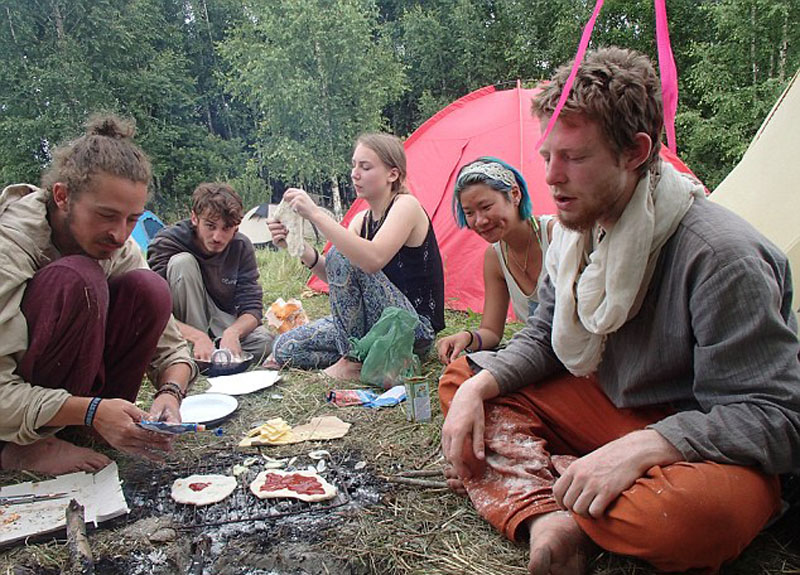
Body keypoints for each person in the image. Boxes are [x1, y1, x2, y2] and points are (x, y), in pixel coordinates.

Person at [439, 47, 800, 575]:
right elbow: (544, 336)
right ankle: (552, 516)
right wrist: (476, 387)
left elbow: (778, 417)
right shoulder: (576, 231)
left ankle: (546, 483)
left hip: (698, 448)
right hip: (609, 409)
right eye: (548, 157)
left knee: (688, 518)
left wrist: (652, 444)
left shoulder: (722, 256)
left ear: (635, 152)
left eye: (575, 158)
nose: (552, 178)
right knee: (463, 380)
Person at [0, 115, 197, 475]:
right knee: (78, 278)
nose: (120, 235)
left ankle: (86, 430)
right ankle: (22, 448)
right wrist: (92, 409)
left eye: (132, 220)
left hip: (76, 403)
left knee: (148, 289)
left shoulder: (117, 244)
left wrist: (171, 392)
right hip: (11, 417)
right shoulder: (10, 245)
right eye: (107, 216)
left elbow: (172, 346)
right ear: (61, 197)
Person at [268, 133, 445, 379]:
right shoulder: (362, 220)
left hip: (411, 329)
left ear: (392, 174)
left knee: (343, 251)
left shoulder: (407, 206)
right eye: (354, 165)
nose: (354, 173)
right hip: (373, 324)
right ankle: (374, 355)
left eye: (365, 167)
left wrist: (315, 214)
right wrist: (297, 247)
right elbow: (337, 275)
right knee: (284, 347)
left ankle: (353, 360)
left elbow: (373, 260)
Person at [436, 158, 555, 364]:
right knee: (459, 375)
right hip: (541, 354)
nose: (480, 221)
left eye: (486, 206)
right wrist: (467, 337)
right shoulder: (495, 258)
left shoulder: (556, 236)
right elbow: (491, 331)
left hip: (575, 354)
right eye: (469, 213)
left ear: (515, 194)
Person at [147, 182, 273, 363]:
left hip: (220, 320)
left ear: (236, 227)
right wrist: (196, 336)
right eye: (210, 226)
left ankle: (210, 352)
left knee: (266, 343)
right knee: (183, 262)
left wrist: (233, 333)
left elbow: (252, 307)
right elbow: (153, 312)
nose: (217, 237)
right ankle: (194, 350)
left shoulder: (241, 246)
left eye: (226, 228)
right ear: (194, 219)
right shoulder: (167, 242)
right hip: (179, 326)